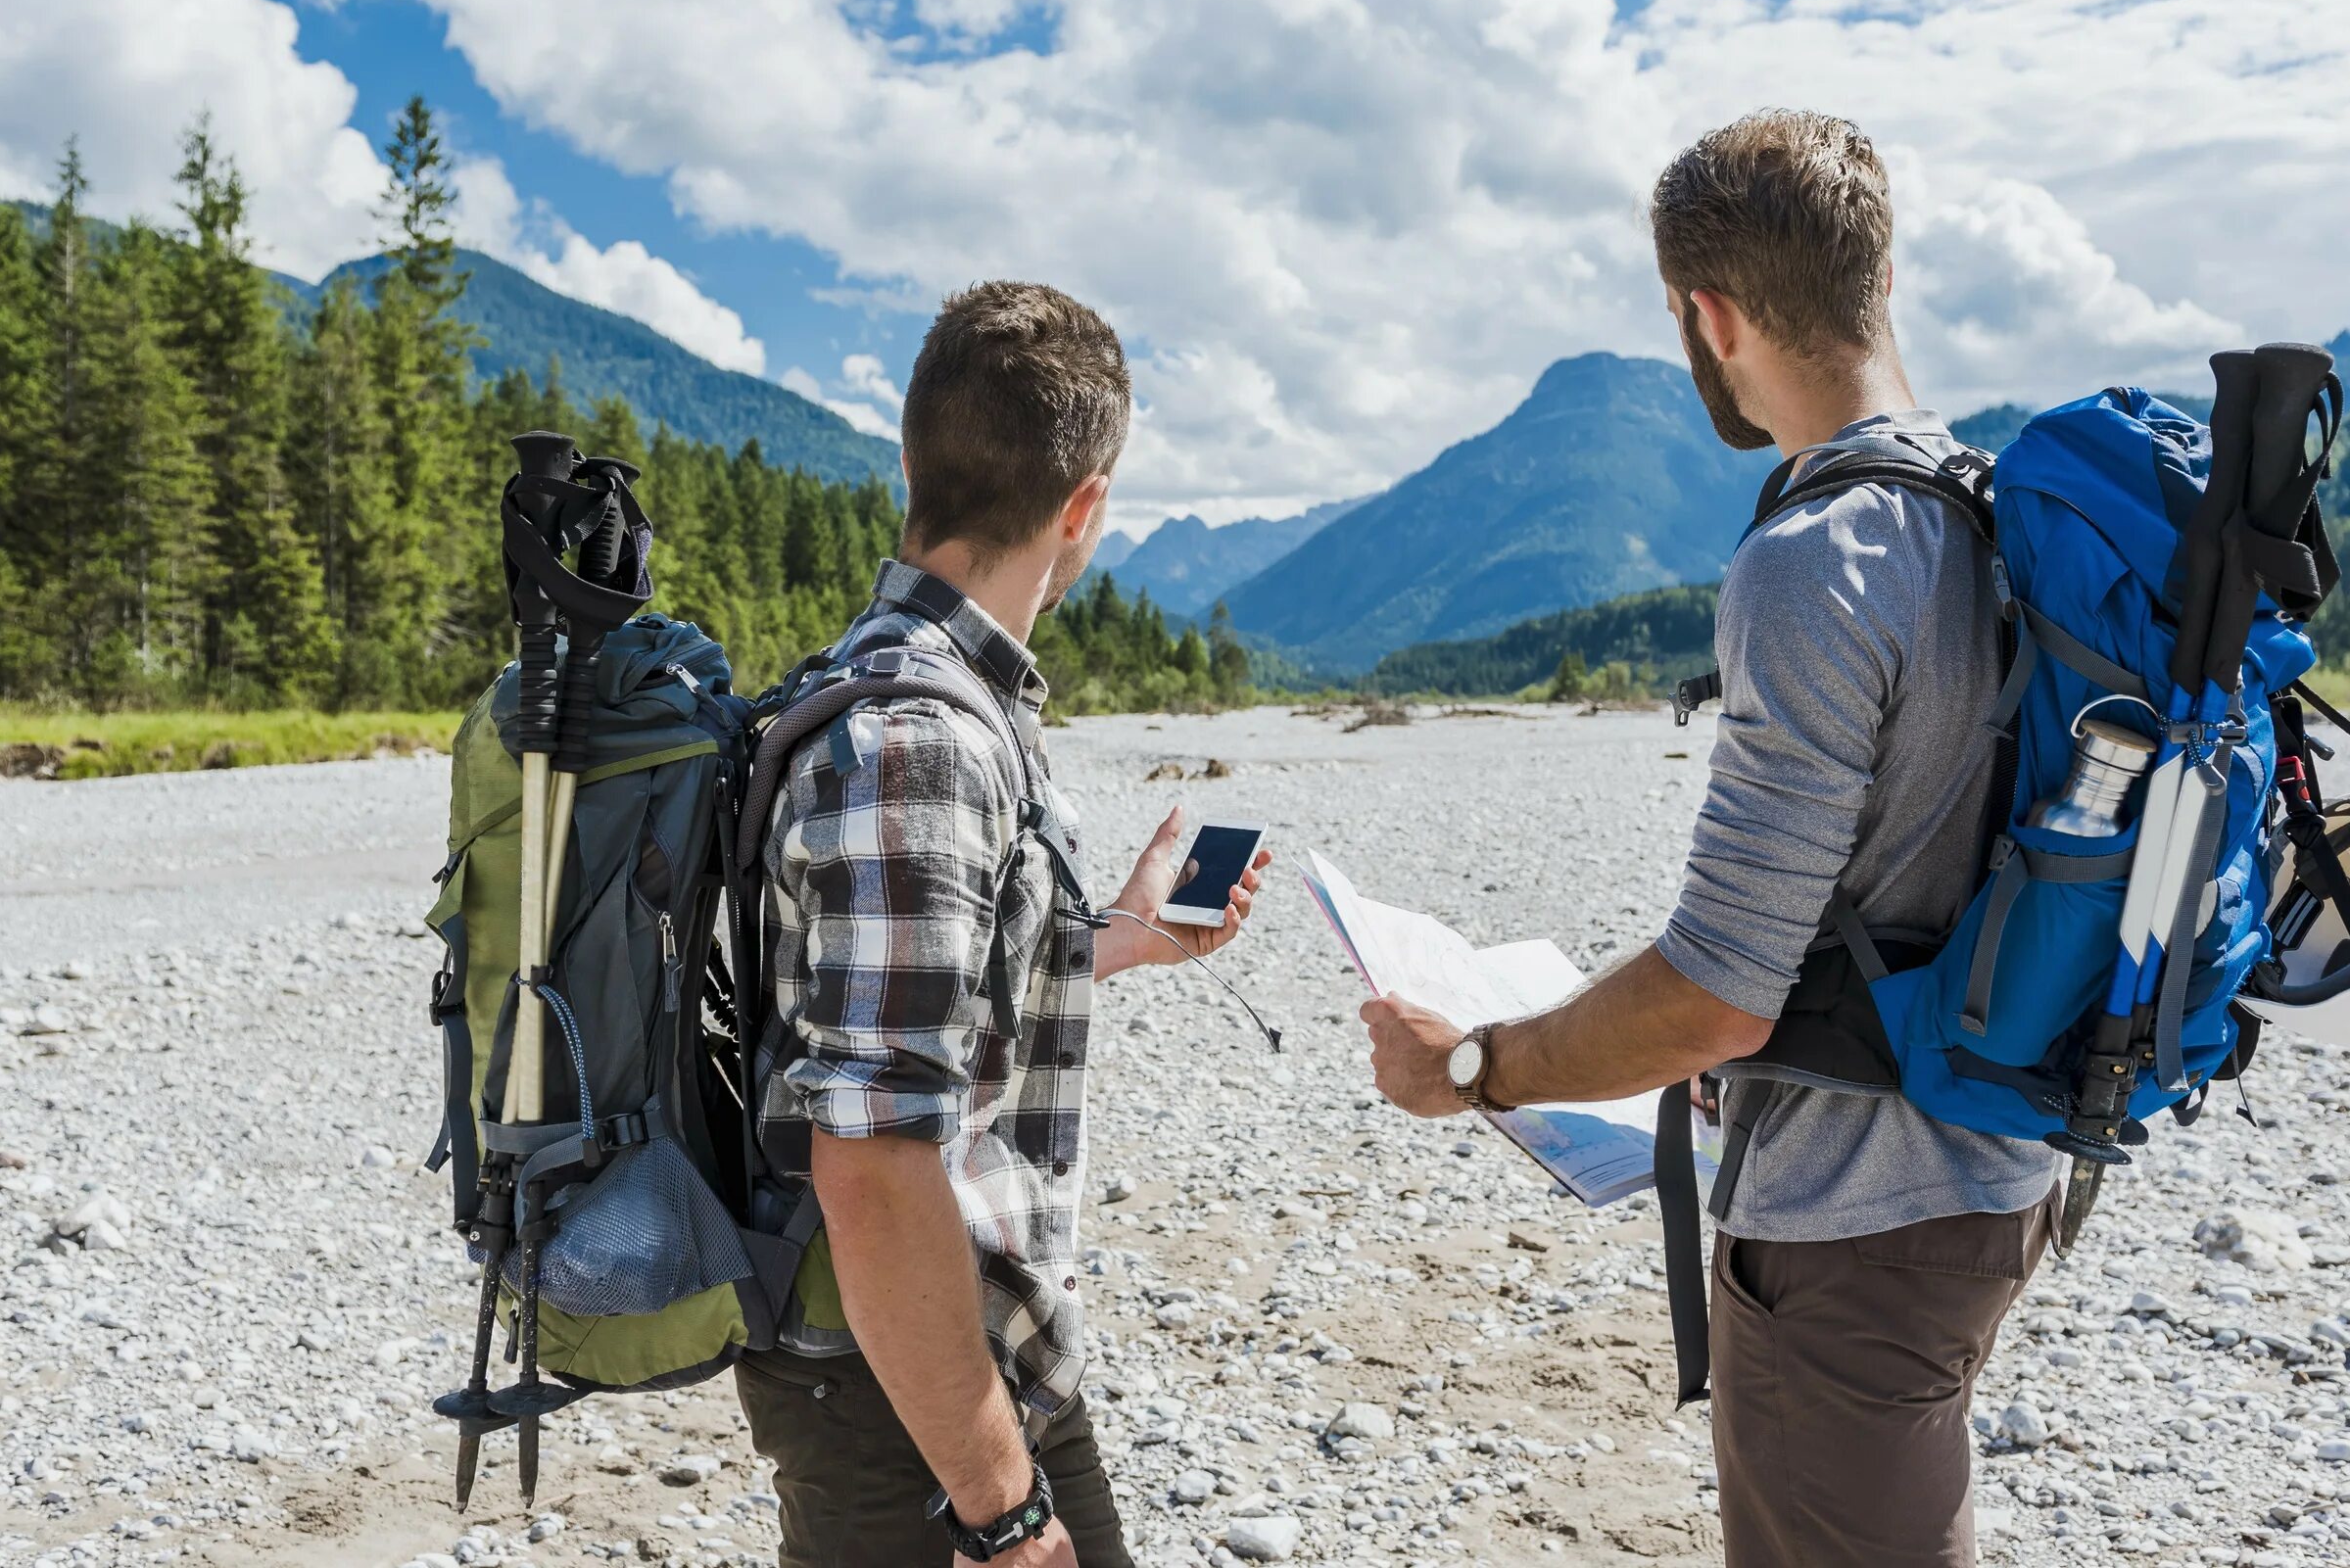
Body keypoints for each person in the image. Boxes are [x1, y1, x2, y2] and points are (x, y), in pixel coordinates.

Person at [1356, 111, 2061, 1568]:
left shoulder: (1818, 563)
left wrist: (1479, 1065)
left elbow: (1722, 993)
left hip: (1857, 1219)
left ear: (1712, 315)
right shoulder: (2001, 517)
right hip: (2004, 1167)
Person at [741, 279, 1270, 1568]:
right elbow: (865, 1160)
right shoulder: (919, 741)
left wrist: (1115, 937)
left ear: (916, 465)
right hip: (902, 1385)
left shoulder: (918, 697)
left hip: (965, 1352)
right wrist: (1001, 1506)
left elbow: (919, 1001)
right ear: (1082, 507)